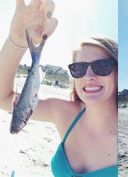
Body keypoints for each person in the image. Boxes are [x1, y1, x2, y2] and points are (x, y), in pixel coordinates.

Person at [0, 0, 118, 177]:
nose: (89, 76)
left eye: (102, 66)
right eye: (78, 69)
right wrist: (16, 41)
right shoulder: (65, 113)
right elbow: (3, 98)